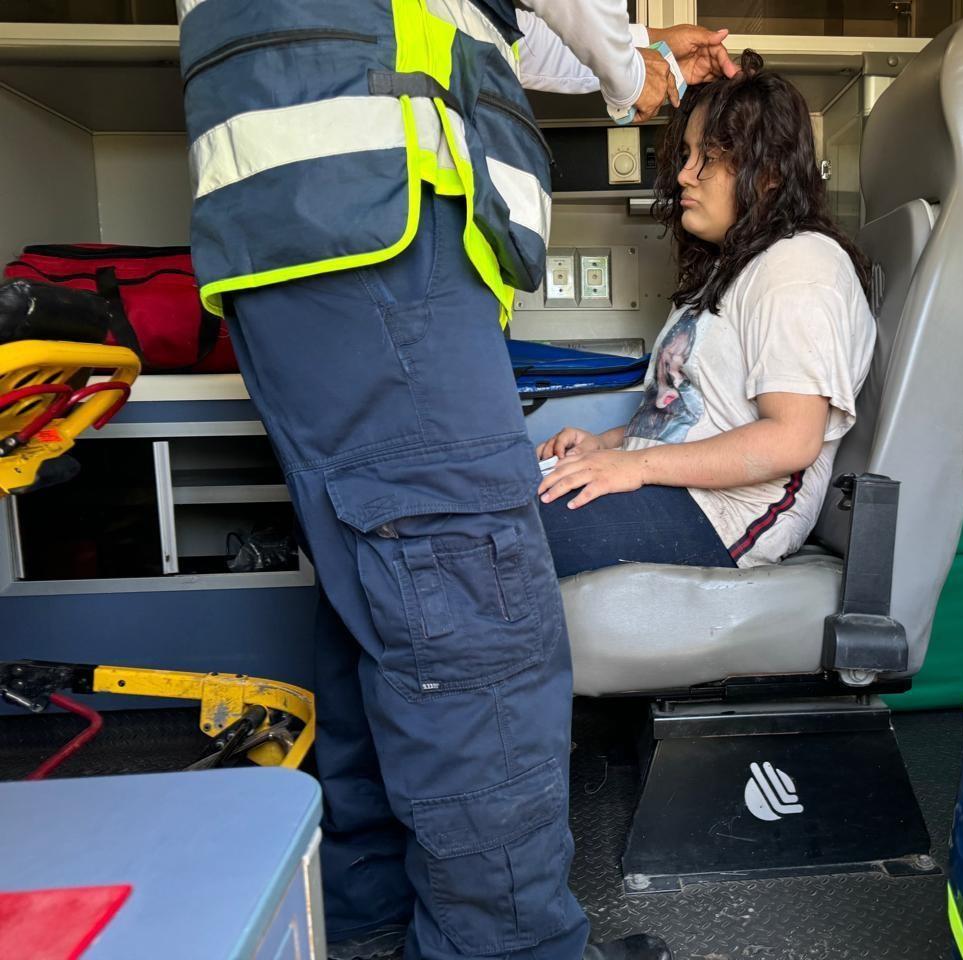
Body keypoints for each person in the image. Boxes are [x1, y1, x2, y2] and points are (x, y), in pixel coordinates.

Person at [176, 3, 734, 960]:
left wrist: (635, 54)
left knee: (385, 600)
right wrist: (627, 68)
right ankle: (510, 949)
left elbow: (480, 23)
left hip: (307, 219)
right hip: (381, 208)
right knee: (478, 618)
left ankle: (375, 914)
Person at [537, 52, 877, 578]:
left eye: (708, 158)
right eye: (687, 155)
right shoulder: (732, 270)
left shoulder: (799, 265)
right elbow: (692, 416)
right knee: (482, 512)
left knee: (489, 539)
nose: (683, 176)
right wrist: (605, 445)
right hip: (681, 492)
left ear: (767, 173)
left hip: (727, 516)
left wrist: (635, 464)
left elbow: (792, 438)